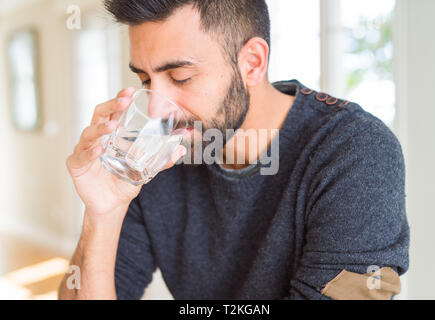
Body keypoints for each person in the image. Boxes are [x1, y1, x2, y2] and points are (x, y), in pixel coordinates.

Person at [59, 0, 409, 300]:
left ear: (252, 63)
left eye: (180, 77)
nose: (155, 112)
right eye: (146, 81)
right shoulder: (155, 153)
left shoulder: (353, 152)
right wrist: (102, 213)